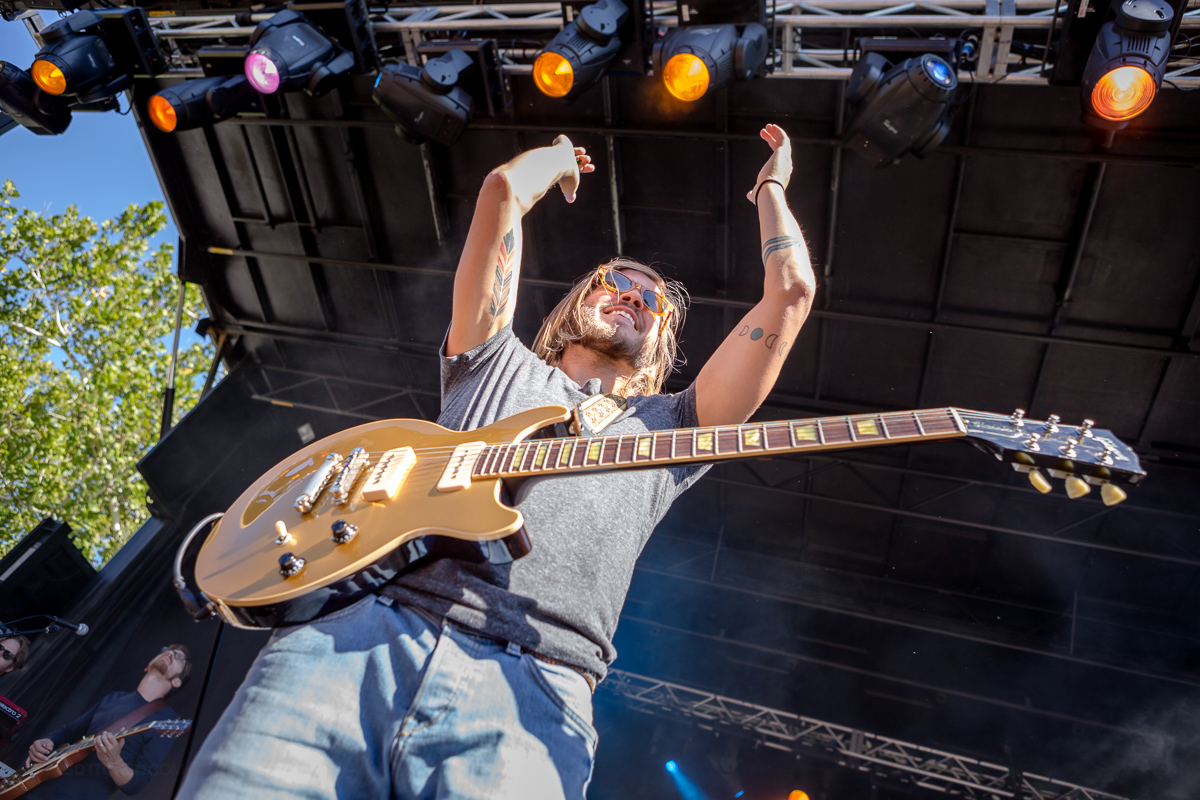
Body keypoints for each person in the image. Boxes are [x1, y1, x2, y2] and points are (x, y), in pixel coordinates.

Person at [177, 123, 815, 800]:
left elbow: (792, 293)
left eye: (651, 299)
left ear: (661, 341)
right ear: (579, 300)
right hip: (358, 637)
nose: (631, 295)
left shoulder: (676, 428)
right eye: (614, 282)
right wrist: (556, 158)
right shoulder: (492, 359)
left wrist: (771, 188)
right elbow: (504, 191)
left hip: (535, 687)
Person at [22, 645, 191, 798]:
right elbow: (68, 732)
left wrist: (113, 762)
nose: (169, 653)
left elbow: (137, 785)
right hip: (36, 784)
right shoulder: (114, 698)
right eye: (167, 650)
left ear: (177, 682)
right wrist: (46, 741)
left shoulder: (166, 721)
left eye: (178, 657)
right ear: (147, 666)